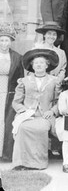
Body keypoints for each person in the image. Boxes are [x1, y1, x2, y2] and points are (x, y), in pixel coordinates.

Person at [12, 49, 60, 170]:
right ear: (32, 66)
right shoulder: (24, 81)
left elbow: (59, 100)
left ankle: (38, 163)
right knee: (22, 128)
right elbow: (16, 101)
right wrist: (23, 111)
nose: (39, 65)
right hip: (27, 114)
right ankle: (21, 162)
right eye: (36, 63)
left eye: (41, 63)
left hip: (45, 115)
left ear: (47, 65)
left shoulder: (54, 81)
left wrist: (52, 111)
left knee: (40, 129)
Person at [0, 24, 24, 161]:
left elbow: (20, 78)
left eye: (7, 40)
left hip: (8, 93)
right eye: (1, 40)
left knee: (7, 122)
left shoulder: (17, 57)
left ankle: (6, 153)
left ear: (11, 41)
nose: (4, 43)